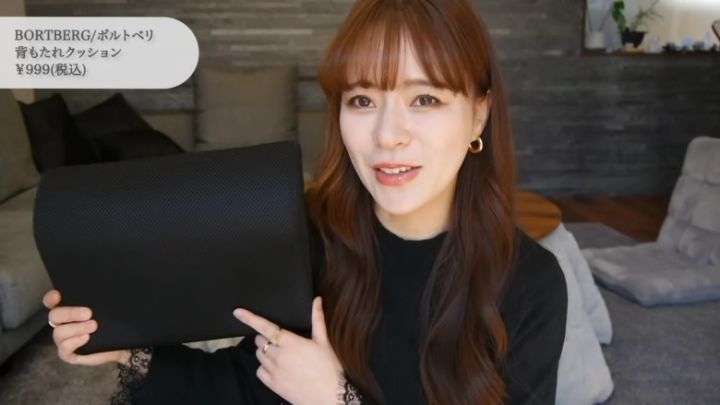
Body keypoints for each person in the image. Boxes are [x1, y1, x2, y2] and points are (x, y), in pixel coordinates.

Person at [43, 0, 568, 404]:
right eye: (362, 100)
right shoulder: (312, 239)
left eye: (425, 98)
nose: (388, 135)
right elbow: (247, 386)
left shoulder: (532, 285)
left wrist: (335, 399)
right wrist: (128, 349)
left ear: (478, 116)